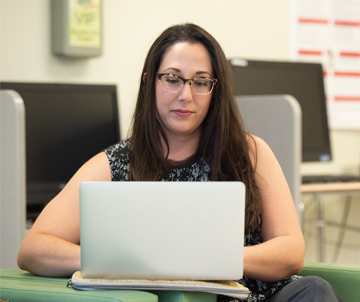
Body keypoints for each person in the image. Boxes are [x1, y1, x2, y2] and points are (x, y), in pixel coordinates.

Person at [17, 23, 343, 302]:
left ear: (215, 90)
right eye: (172, 78)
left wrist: (209, 259)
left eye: (200, 81)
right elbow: (33, 248)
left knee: (314, 290)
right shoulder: (115, 163)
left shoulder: (250, 153)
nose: (185, 94)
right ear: (150, 82)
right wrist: (124, 262)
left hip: (261, 296)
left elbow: (290, 251)